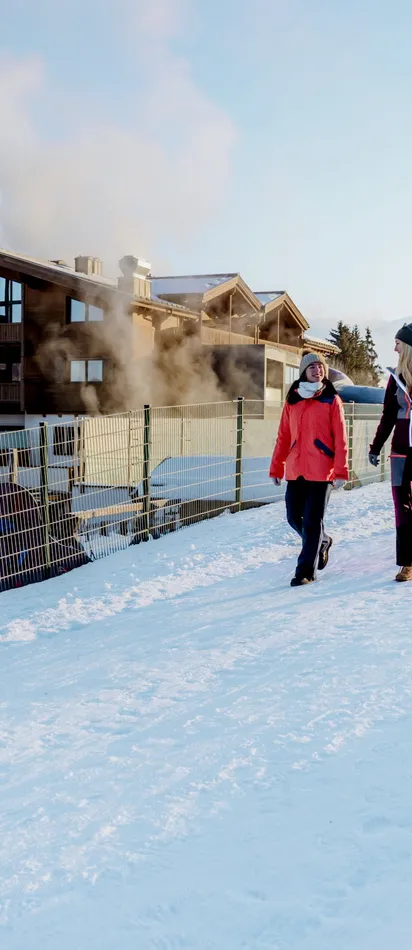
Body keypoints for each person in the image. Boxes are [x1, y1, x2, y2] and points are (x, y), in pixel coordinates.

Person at [269, 352, 349, 587]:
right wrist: (276, 467)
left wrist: (341, 471)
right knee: (294, 517)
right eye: (312, 366)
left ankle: (304, 572)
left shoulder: (331, 399)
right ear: (303, 371)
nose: (317, 370)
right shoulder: (292, 399)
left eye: (321, 367)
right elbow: (283, 435)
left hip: (322, 469)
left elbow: (341, 438)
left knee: (313, 521)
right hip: (296, 469)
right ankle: (323, 542)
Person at [369, 322, 412, 582]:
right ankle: (406, 563)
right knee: (402, 507)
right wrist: (376, 447)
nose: (394, 346)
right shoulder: (395, 377)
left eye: (398, 342)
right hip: (399, 452)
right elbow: (387, 415)